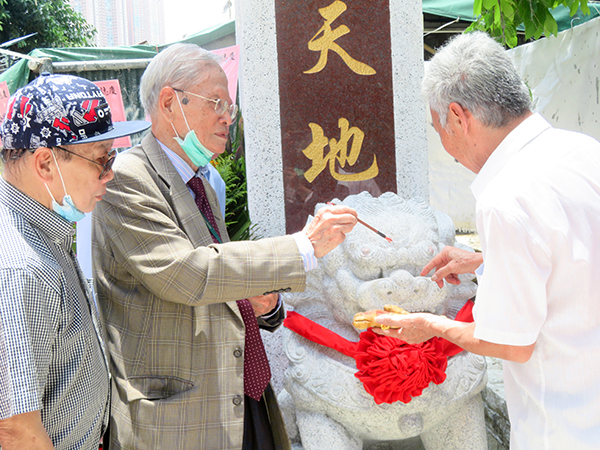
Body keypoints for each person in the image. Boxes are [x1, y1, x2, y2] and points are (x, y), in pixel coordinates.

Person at [91, 43, 357, 450]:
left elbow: (219, 272)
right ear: (169, 102)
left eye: (229, 107)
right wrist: (302, 247)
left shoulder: (201, 179)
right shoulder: (129, 179)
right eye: (216, 103)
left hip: (238, 392)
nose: (227, 118)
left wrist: (262, 303)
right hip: (180, 415)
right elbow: (187, 272)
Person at [374, 32, 600, 449]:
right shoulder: (584, 151)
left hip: (562, 427)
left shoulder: (505, 198)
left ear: (458, 117)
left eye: (438, 128)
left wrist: (430, 325)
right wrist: (485, 260)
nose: (446, 146)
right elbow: (575, 252)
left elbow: (510, 342)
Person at [0, 73, 150, 450]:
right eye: (102, 159)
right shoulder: (20, 266)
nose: (110, 173)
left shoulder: (42, 233)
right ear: (45, 164)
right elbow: (15, 429)